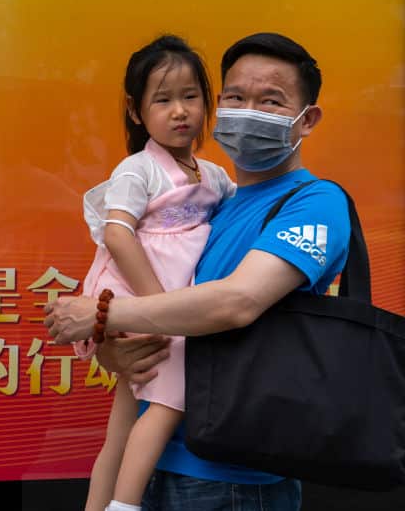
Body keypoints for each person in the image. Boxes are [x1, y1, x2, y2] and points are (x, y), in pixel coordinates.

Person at [45, 32, 352, 511]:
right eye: (235, 97)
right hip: (152, 466)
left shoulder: (315, 203)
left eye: (270, 100)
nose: (246, 110)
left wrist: (106, 313)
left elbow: (236, 302)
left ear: (306, 119)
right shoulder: (213, 203)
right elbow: (156, 294)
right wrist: (111, 346)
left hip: (232, 479)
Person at [73, 35, 234, 511]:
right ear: (136, 110)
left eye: (190, 97)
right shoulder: (137, 170)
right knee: (169, 404)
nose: (180, 111)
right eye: (163, 100)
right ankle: (125, 505)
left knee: (123, 421)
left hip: (166, 306)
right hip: (147, 298)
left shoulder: (214, 176)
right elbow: (118, 236)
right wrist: (157, 310)